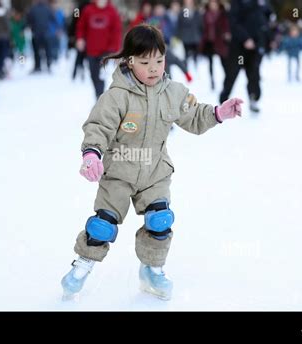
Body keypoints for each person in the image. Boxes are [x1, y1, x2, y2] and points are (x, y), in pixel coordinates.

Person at [61, 24, 243, 301]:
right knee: (102, 225)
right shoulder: (116, 96)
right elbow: (98, 126)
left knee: (159, 220)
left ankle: (152, 269)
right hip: (119, 171)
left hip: (155, 172)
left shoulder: (173, 92)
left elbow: (193, 116)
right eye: (145, 62)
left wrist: (218, 113)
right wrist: (92, 153)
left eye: (159, 60)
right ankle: (82, 265)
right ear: (130, 61)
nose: (154, 68)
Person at [219, 0, 273, 113]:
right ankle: (223, 102)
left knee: (254, 74)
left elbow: (265, 21)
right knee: (232, 74)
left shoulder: (259, 3)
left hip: (255, 46)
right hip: (239, 47)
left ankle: (254, 98)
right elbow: (233, 23)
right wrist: (245, 38)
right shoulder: (236, 4)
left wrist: (269, 39)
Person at [75, 0, 122, 99]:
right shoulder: (88, 10)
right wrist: (80, 38)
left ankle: (100, 96)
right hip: (91, 50)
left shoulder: (112, 11)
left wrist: (115, 49)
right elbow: (81, 26)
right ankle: (98, 93)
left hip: (105, 51)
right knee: (93, 74)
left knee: (101, 75)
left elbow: (117, 31)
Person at [201, 0, 230, 90]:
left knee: (224, 62)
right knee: (210, 63)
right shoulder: (205, 14)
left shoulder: (223, 14)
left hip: (220, 41)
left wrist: (226, 33)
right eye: (211, 4)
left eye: (215, 4)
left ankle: (227, 80)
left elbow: (227, 25)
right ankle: (212, 80)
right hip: (209, 41)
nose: (213, 5)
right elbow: (202, 27)